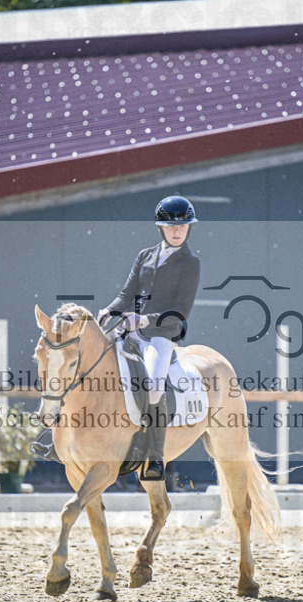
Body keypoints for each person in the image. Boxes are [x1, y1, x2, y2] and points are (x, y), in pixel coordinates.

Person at [97, 196, 201, 481]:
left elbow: (181, 311)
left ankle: (155, 455)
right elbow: (126, 293)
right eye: (171, 226)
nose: (177, 231)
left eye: (182, 226)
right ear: (161, 227)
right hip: (131, 331)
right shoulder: (144, 255)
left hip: (161, 335)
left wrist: (145, 320)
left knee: (154, 388)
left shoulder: (190, 263)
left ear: (188, 228)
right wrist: (109, 310)